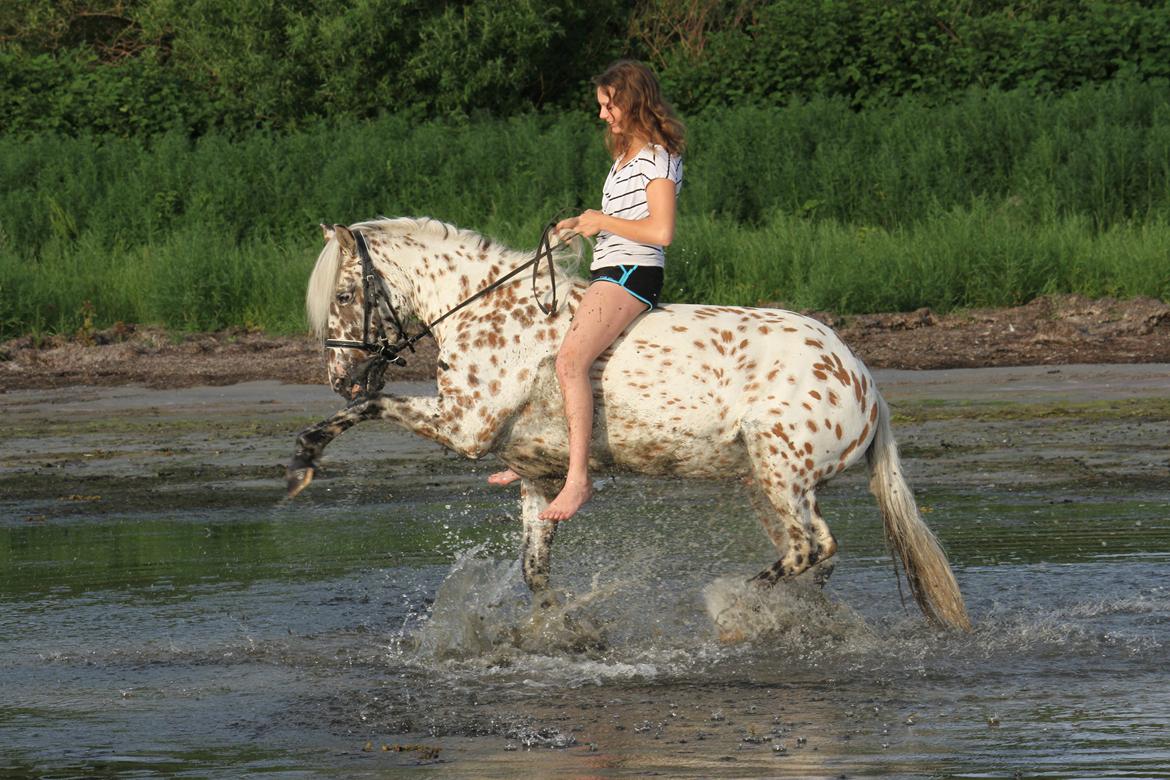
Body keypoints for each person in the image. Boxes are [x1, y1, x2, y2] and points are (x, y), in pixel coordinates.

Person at [488, 59, 685, 521]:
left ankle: (577, 479)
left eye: (608, 105)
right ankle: (546, 452)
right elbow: (625, 223)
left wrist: (600, 221)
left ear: (632, 102)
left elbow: (661, 231)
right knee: (549, 351)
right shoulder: (623, 160)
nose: (602, 115)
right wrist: (583, 226)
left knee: (570, 361)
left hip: (632, 273)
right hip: (610, 267)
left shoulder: (658, 158)